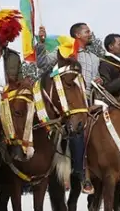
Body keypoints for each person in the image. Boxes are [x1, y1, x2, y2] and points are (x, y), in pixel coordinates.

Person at [36, 22, 98, 194]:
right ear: (77, 35)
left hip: (88, 101)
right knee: (78, 130)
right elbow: (42, 64)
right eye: (87, 31)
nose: (90, 33)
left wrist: (98, 85)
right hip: (66, 102)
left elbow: (96, 82)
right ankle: (80, 173)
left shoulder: (95, 58)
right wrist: (41, 43)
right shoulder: (65, 49)